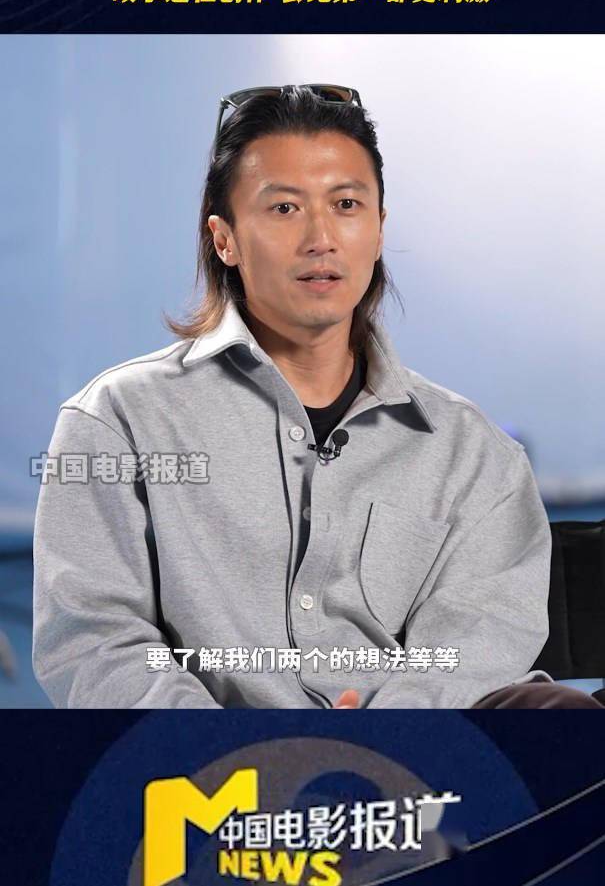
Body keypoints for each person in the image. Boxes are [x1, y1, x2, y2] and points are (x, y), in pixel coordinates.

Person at [32, 84, 602, 710]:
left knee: (564, 719)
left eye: (346, 204)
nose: (321, 238)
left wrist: (381, 740)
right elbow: (95, 643)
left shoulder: (474, 454)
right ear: (224, 239)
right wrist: (247, 750)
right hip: (202, 759)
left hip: (421, 753)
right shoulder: (117, 421)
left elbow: (478, 643)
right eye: (284, 208)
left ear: (378, 230)